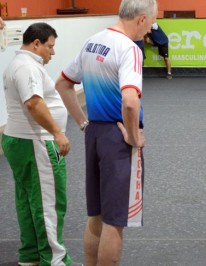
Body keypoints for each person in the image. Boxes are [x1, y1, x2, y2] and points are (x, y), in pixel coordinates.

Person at [55, 0, 156, 265]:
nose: (150, 30)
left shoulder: (92, 41)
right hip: (117, 139)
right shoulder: (129, 48)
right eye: (151, 23)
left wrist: (83, 123)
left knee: (97, 214)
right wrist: (134, 137)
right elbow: (130, 101)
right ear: (142, 19)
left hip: (95, 135)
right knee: (115, 219)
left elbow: (63, 83)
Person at [1, 22, 76, 266]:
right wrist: (57, 132)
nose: (52, 53)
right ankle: (55, 260)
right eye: (50, 47)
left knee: (29, 200)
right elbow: (33, 104)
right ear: (36, 44)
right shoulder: (26, 67)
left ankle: (32, 255)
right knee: (48, 203)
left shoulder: (20, 64)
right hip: (35, 143)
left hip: (22, 141)